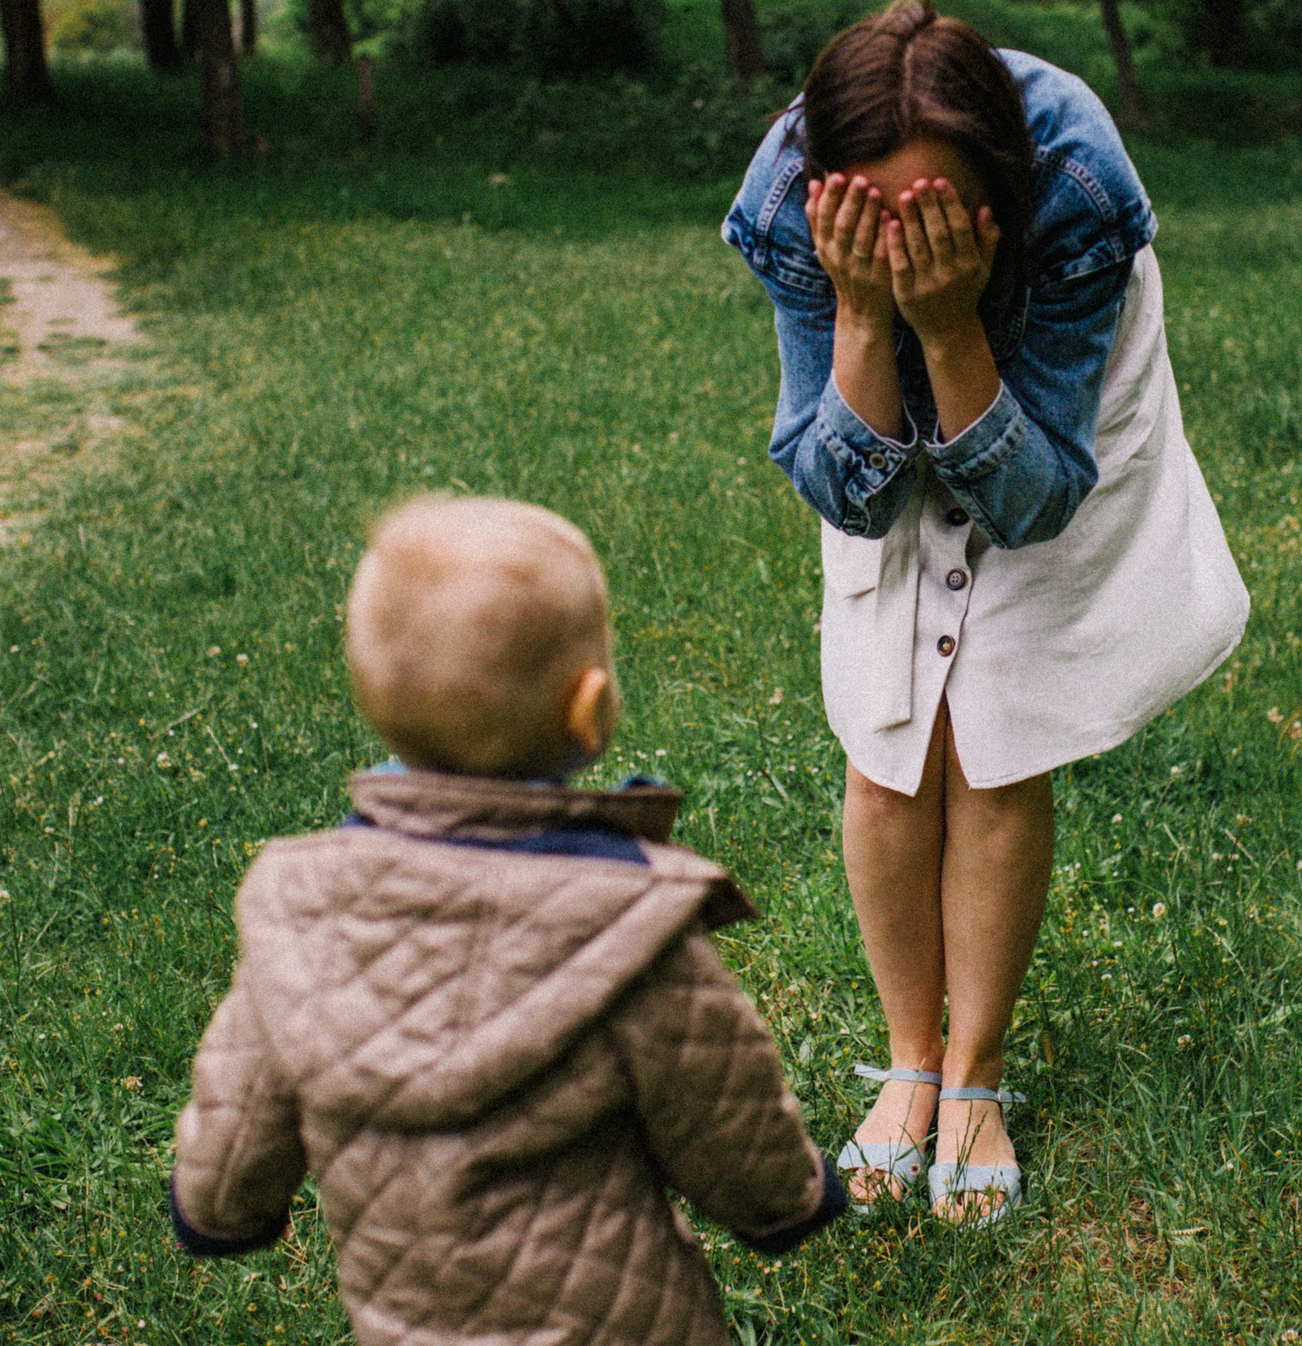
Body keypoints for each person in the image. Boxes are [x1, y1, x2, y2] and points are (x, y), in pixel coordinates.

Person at [723, 0, 1249, 1225]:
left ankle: (977, 1074)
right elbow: (842, 493)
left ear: (996, 188)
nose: (902, 242)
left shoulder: (1072, 189)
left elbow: (1033, 498)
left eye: (937, 218)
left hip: (1052, 428)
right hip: (883, 380)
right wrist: (863, 314)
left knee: (994, 725)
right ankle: (910, 1061)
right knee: (890, 727)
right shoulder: (797, 199)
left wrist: (952, 326)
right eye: (877, 222)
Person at [166, 495, 847, 1346]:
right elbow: (720, 1103)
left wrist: (219, 1207)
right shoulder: (625, 923)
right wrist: (789, 1199)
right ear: (589, 707)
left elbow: (233, 1138)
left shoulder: (303, 918)